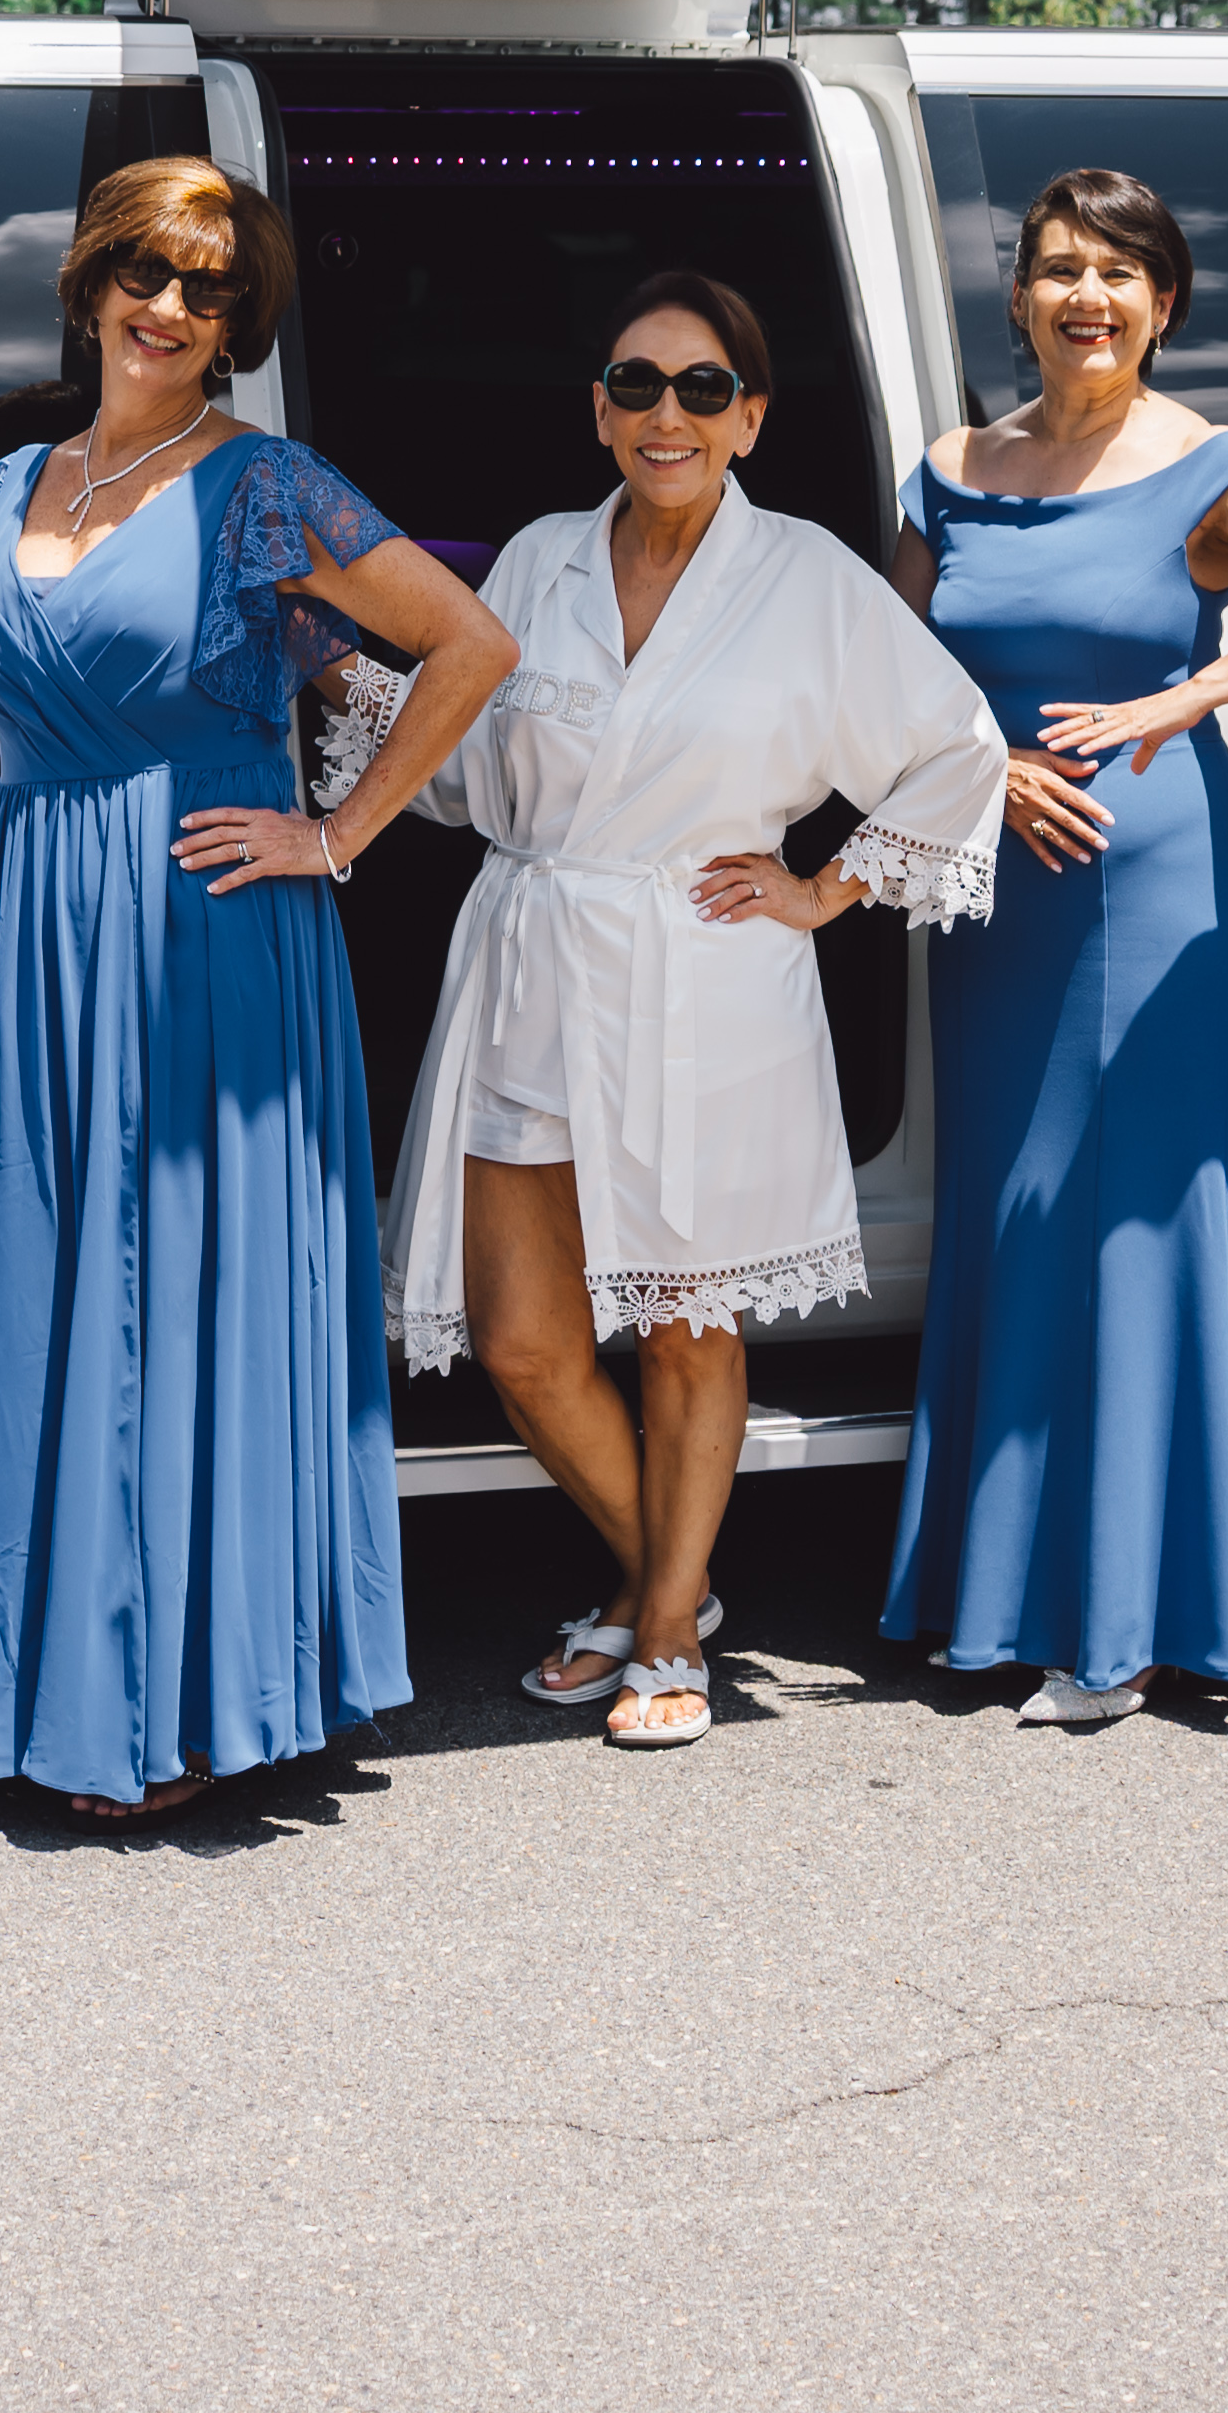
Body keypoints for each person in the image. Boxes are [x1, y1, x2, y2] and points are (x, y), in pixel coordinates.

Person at [0, 159, 514, 1824]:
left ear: (241, 323)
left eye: (211, 290)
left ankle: (177, 1702)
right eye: (148, 274)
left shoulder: (265, 483)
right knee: (50, 1288)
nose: (170, 310)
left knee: (168, 1294)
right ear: (94, 280)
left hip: (201, 925)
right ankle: (37, 1685)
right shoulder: (21, 471)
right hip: (39, 930)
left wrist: (337, 834)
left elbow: (468, 647)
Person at [389, 273, 1007, 1752]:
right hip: (537, 952)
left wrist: (827, 886)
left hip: (707, 970)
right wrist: (347, 680)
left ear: (752, 418)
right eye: (639, 384)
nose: (670, 413)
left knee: (683, 1324)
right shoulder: (536, 562)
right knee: (523, 1339)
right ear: (599, 411)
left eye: (704, 387)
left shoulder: (808, 579)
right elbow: (469, 772)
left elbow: (955, 746)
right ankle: (676, 1569)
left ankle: (666, 1626)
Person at [885, 170, 1228, 1724]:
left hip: (1143, 869)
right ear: (1021, 300)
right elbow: (879, 674)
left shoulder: (1213, 466)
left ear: (1164, 304)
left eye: (1119, 273)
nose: (1086, 297)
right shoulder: (949, 468)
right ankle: (995, 1593)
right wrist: (979, 767)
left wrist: (1190, 703)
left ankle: (1118, 1623)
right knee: (1006, 1211)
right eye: (1057, 271)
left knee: (1119, 1220)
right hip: (994, 884)